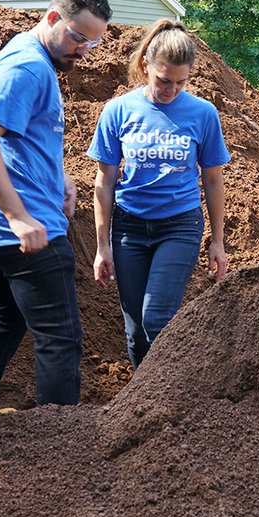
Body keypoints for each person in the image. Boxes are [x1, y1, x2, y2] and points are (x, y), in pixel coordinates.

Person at [0, 0, 111, 426]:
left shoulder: (32, 55)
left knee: (9, 317)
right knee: (61, 338)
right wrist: (18, 216)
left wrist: (59, 177)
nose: (83, 51)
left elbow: (20, 136)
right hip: (19, 229)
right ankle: (56, 444)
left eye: (92, 43)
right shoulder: (27, 67)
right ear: (52, 18)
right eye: (77, 38)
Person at [88, 20, 230, 369]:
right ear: (145, 66)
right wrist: (102, 245)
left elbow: (213, 181)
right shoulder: (119, 111)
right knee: (136, 330)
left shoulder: (203, 114)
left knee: (157, 318)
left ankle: (173, 389)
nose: (171, 90)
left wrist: (218, 241)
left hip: (179, 225)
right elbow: (104, 181)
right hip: (129, 227)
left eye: (181, 82)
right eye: (164, 80)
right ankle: (145, 394)